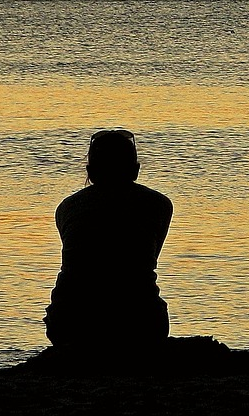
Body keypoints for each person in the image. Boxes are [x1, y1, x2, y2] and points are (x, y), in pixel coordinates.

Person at [44, 129, 174, 349]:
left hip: (69, 322)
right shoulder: (159, 205)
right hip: (139, 323)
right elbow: (146, 260)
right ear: (135, 170)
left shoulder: (67, 207)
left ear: (90, 172)